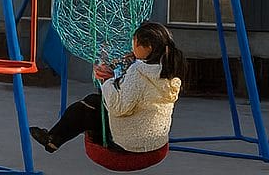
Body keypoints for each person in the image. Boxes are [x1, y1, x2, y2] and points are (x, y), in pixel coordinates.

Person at [29, 21, 184, 155]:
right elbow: (139, 94)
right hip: (154, 140)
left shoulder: (138, 73)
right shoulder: (167, 70)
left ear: (148, 47)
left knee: (84, 111)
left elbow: (119, 107)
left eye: (135, 43)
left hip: (132, 145)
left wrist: (106, 81)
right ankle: (54, 139)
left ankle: (53, 139)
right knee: (92, 100)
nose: (132, 47)